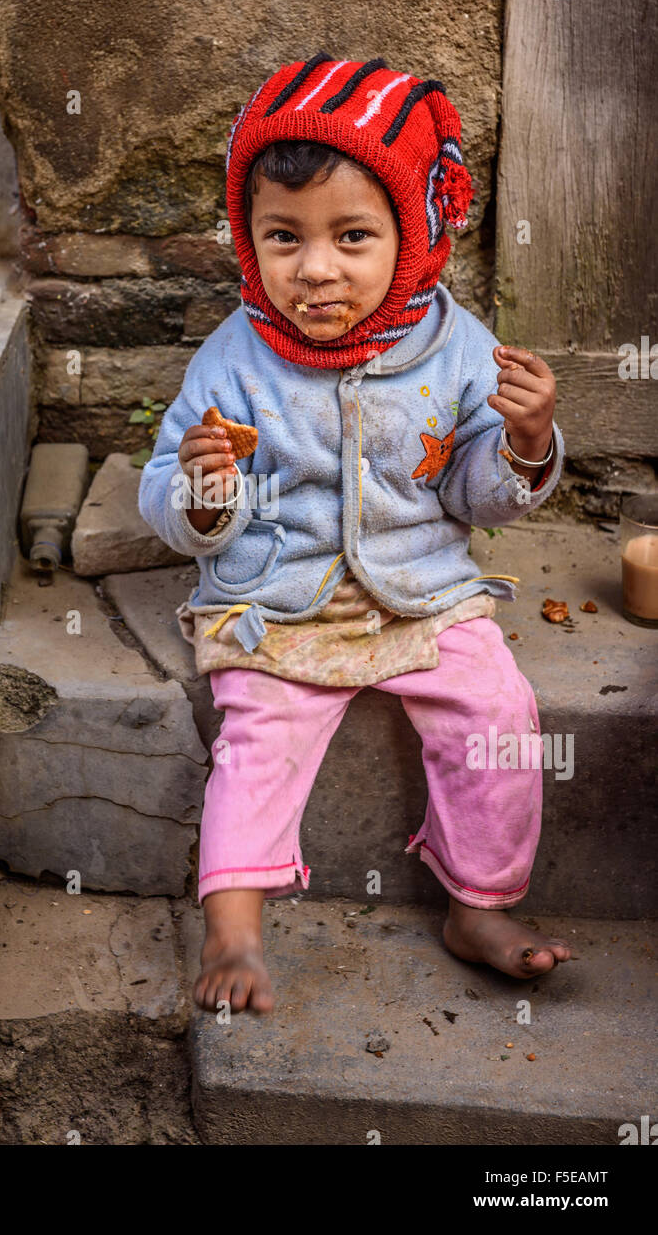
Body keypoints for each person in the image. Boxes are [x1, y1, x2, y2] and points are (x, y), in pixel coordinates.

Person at [138, 52, 571, 1014]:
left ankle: (481, 902)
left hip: (419, 591)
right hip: (276, 602)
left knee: (497, 717)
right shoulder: (232, 360)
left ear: (416, 236)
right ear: (248, 242)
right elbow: (167, 496)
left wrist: (525, 441)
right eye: (282, 237)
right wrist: (208, 495)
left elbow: (474, 495)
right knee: (259, 733)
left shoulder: (458, 349)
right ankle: (235, 928)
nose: (316, 269)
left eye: (353, 236)